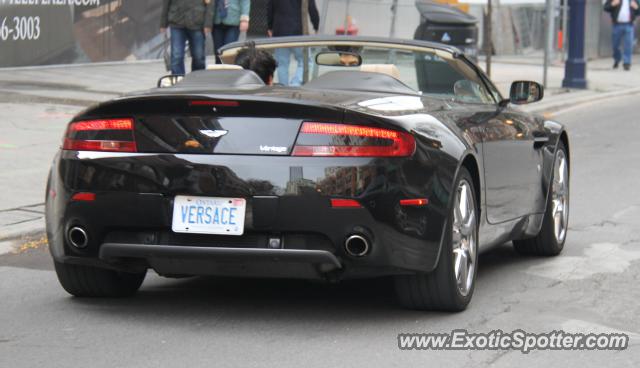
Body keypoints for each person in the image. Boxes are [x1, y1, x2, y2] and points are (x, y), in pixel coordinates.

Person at [267, 0, 320, 86]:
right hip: (299, 32)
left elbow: (270, 7)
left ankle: (283, 88)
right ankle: (295, 84)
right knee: (305, 62)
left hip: (280, 31)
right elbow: (311, 8)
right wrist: (316, 26)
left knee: (282, 64)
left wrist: (270, 26)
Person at [161, 0, 214, 75]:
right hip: (177, 23)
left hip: (198, 23)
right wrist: (163, 23)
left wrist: (208, 23)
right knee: (177, 56)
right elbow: (166, 3)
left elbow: (210, 4)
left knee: (199, 57)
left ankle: (198, 79)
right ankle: (178, 80)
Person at [604, 0, 640, 70]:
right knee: (615, 45)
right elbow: (606, 8)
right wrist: (612, 4)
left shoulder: (634, 0)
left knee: (628, 44)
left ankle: (627, 62)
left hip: (629, 25)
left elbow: (638, 12)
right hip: (617, 25)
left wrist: (636, 8)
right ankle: (617, 59)